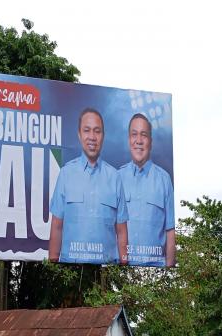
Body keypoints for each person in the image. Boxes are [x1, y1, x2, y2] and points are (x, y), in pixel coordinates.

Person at [49, 108, 128, 264]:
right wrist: (53, 264)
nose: (92, 137)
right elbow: (57, 226)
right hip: (70, 268)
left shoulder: (115, 177)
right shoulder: (66, 174)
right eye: (87, 130)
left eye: (97, 131)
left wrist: (124, 264)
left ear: (103, 136)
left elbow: (122, 230)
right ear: (79, 134)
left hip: (106, 270)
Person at [119, 113, 175, 267]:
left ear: (150, 141)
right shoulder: (117, 178)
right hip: (121, 270)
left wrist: (169, 271)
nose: (138, 141)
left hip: (156, 271)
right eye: (134, 134)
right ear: (129, 140)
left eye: (144, 135)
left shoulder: (164, 180)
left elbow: (170, 231)